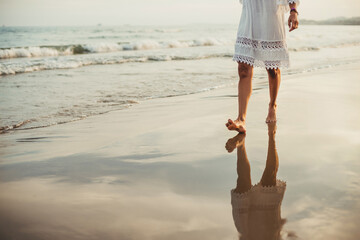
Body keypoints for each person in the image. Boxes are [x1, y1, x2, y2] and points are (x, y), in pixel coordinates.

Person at [226, 0, 300, 133]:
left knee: (272, 69)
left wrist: (293, 11)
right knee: (243, 69)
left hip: (270, 14)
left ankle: (272, 105)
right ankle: (241, 119)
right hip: (249, 14)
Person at [225, 123, 287, 240]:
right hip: (269, 234)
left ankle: (240, 144)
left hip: (248, 233)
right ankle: (271, 134)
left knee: (243, 185)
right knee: (269, 182)